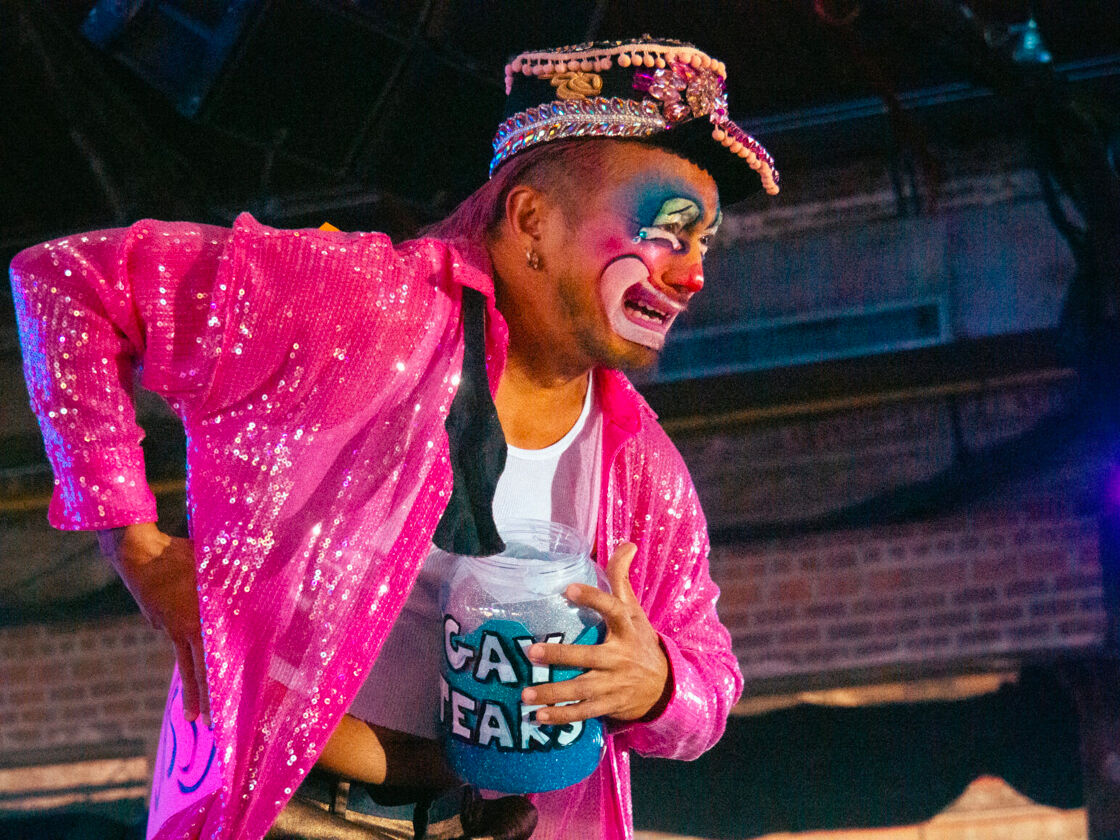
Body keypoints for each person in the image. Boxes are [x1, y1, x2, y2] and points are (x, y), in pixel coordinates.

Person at [9, 36, 778, 840]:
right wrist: (135, 548)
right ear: (532, 221)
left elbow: (710, 682)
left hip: (489, 821)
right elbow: (70, 284)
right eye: (667, 230)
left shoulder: (642, 469)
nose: (692, 272)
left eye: (702, 242)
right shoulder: (367, 307)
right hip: (293, 813)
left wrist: (655, 683)